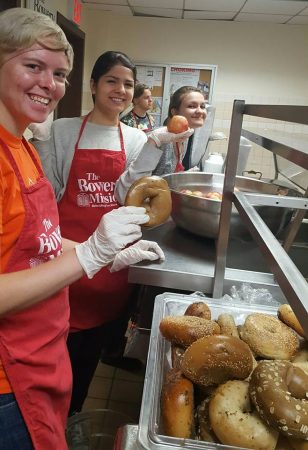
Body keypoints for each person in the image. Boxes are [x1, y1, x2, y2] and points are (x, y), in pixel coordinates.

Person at [0, 9, 165, 450]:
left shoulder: (23, 146)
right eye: (32, 66)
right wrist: (90, 255)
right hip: (10, 375)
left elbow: (41, 242)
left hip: (43, 351)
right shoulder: (34, 143)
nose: (49, 84)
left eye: (59, 74)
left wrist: (109, 254)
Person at [30, 50, 193, 417]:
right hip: (66, 262)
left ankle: (71, 419)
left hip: (114, 269)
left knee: (90, 355)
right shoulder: (62, 131)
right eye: (111, 80)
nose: (120, 89)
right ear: (93, 85)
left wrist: (154, 145)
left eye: (128, 84)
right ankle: (49, 421)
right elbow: (45, 201)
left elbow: (129, 196)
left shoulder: (137, 139)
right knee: (55, 359)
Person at [153, 86, 211, 175]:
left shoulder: (185, 136)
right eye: (192, 106)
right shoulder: (158, 140)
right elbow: (140, 179)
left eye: (202, 106)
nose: (200, 111)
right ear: (175, 112)